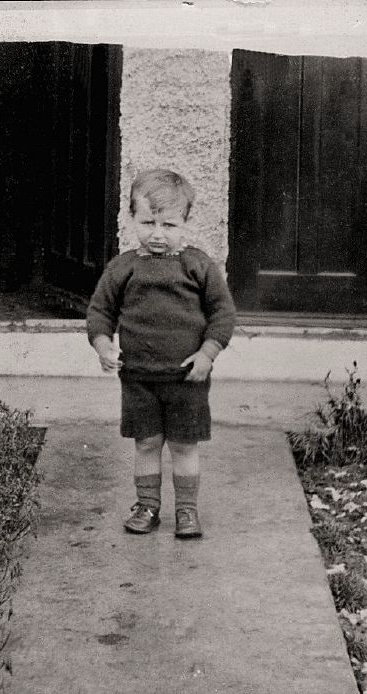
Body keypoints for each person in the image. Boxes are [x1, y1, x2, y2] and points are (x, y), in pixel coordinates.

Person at [86, 168, 236, 538]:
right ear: (132, 219)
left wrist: (207, 354)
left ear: (185, 222)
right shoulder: (123, 267)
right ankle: (148, 506)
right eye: (147, 222)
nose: (157, 234)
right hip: (139, 377)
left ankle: (186, 511)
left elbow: (223, 314)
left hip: (188, 378)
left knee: (184, 445)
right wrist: (103, 345)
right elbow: (100, 312)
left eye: (168, 225)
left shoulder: (198, 265)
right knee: (147, 443)